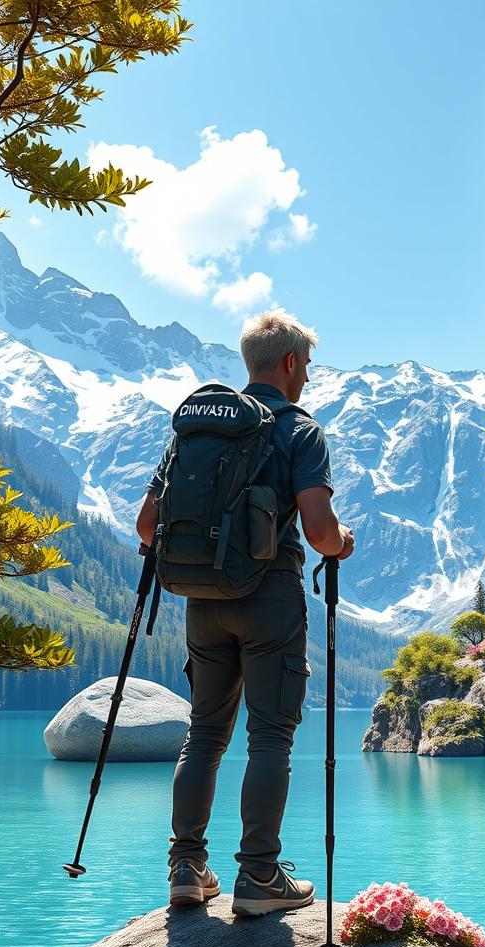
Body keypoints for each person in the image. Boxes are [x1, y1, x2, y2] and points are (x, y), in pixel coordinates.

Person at [135, 311, 354, 915]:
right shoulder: (299, 430)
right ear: (288, 363)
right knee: (270, 737)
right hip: (269, 601)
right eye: (305, 365)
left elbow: (147, 526)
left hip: (203, 604)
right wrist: (342, 543)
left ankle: (186, 867)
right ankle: (258, 877)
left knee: (203, 734)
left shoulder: (198, 434)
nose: (306, 376)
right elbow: (319, 531)